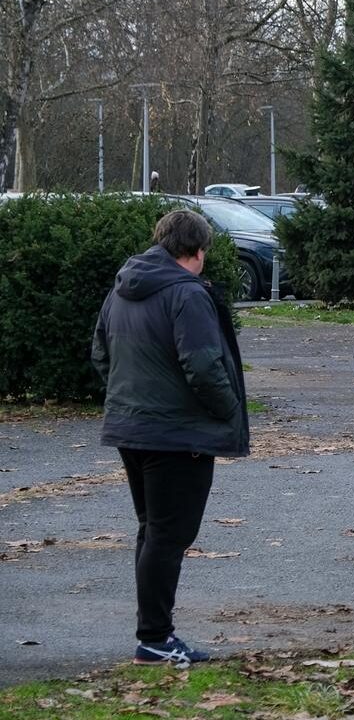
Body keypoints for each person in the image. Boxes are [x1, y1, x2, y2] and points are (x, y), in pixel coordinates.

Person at [94, 209, 249, 665]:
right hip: (178, 434)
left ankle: (154, 633)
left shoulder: (121, 289)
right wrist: (229, 409)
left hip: (132, 427)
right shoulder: (187, 293)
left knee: (153, 530)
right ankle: (155, 637)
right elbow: (202, 364)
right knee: (168, 534)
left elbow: (101, 354)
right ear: (197, 251)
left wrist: (129, 398)